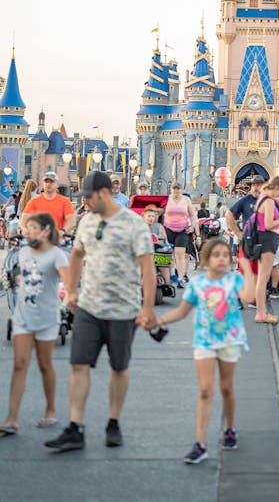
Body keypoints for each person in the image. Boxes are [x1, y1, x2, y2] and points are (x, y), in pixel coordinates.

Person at [45, 171, 155, 453]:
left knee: (119, 367)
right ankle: (76, 426)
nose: (86, 203)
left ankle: (113, 422)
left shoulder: (134, 224)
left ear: (104, 194)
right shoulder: (87, 222)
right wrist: (70, 290)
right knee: (78, 364)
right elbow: (77, 255)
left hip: (122, 309)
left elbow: (147, 268)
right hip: (89, 308)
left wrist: (147, 308)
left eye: (89, 198)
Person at [148, 237, 255, 463]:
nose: (222, 259)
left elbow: (248, 297)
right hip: (205, 341)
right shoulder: (197, 284)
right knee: (205, 391)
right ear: (206, 259)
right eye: (216, 255)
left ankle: (230, 429)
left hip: (229, 340)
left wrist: (247, 270)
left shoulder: (234, 280)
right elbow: (182, 312)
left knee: (226, 388)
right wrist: (159, 320)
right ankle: (200, 444)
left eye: (225, 255)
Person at [0, 213, 69, 436]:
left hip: (47, 317)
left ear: (46, 231)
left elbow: (69, 283)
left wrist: (68, 303)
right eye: (26, 228)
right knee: (19, 364)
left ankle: (50, 410)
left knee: (44, 364)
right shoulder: (23, 252)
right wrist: (18, 280)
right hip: (23, 316)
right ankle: (11, 419)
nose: (27, 232)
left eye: (32, 228)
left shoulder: (57, 255)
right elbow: (21, 274)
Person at [253, 175, 279, 325]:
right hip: (267, 239)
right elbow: (268, 224)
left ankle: (261, 312)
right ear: (276, 187)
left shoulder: (262, 197)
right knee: (263, 279)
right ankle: (261, 314)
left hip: (263, 239)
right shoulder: (268, 201)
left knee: (262, 279)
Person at [225, 175, 265, 291]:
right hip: (248, 240)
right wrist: (238, 233)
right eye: (254, 185)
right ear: (251, 187)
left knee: (259, 271)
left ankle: (254, 296)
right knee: (244, 269)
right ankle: (237, 295)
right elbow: (229, 214)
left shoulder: (267, 200)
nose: (256, 187)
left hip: (263, 240)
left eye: (259, 185)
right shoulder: (245, 201)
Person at [163, 182, 198, 287]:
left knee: (180, 255)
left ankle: (180, 278)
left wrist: (192, 226)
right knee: (167, 254)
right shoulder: (166, 199)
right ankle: (168, 276)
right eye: (174, 189)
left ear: (181, 190)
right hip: (168, 229)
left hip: (182, 230)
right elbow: (159, 212)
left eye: (178, 189)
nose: (176, 191)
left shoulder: (186, 200)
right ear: (171, 189)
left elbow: (192, 215)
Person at [142, 205, 171, 287]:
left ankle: (167, 284)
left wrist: (164, 244)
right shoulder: (139, 227)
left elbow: (165, 241)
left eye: (153, 216)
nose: (151, 218)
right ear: (144, 217)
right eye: (149, 216)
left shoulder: (159, 227)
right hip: (144, 252)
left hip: (157, 251)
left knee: (164, 264)